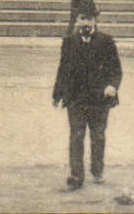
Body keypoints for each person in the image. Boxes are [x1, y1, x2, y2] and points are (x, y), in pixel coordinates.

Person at [52, 10, 121, 191]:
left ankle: (97, 171)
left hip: (99, 99)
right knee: (76, 136)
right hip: (76, 98)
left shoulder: (106, 41)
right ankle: (76, 175)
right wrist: (57, 94)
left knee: (98, 136)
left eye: (89, 19)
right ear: (76, 21)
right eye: (82, 19)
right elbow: (63, 69)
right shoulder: (69, 42)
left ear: (95, 21)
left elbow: (116, 69)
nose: (86, 23)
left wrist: (112, 86)